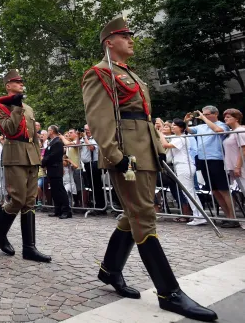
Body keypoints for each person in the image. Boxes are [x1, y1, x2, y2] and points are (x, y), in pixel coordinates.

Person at [82, 16, 216, 321]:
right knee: (143, 216)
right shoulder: (99, 74)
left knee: (136, 214)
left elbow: (145, 118)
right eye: (124, 35)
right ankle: (170, 293)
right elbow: (100, 121)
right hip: (128, 155)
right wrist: (115, 156)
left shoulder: (134, 76)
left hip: (146, 152)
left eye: (131, 34)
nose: (131, 39)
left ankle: (110, 269)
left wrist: (158, 148)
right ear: (109, 42)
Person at [0, 70, 51, 263]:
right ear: (8, 85)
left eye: (21, 82)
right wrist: (16, 107)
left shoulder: (29, 108)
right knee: (17, 199)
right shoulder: (2, 107)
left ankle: (29, 248)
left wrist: (37, 156)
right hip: (15, 155)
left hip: (31, 155)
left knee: (30, 201)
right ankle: (0, 233)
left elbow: (33, 135)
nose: (21, 84)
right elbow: (9, 129)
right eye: (17, 82)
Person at [185, 107, 236, 228]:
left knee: (223, 189)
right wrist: (186, 121)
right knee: (214, 190)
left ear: (215, 114)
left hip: (216, 159)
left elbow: (218, 130)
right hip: (203, 160)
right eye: (204, 114)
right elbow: (189, 130)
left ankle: (233, 217)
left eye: (208, 114)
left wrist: (203, 118)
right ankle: (227, 216)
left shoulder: (222, 125)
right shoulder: (201, 127)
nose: (205, 116)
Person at [157, 119, 207, 226]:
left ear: (181, 128)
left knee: (189, 192)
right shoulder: (177, 138)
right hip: (181, 165)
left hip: (184, 165)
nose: (173, 127)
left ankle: (199, 216)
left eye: (175, 126)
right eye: (173, 125)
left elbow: (165, 145)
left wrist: (160, 133)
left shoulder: (181, 138)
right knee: (188, 192)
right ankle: (198, 215)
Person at [221, 108, 244, 227]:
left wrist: (238, 166)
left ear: (236, 118)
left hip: (240, 166)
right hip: (232, 166)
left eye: (228, 117)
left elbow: (243, 149)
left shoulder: (240, 131)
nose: (225, 119)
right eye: (225, 117)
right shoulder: (232, 132)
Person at [42, 126, 71, 219]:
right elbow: (48, 154)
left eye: (48, 130)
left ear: (52, 131)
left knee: (60, 190)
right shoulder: (52, 142)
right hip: (51, 169)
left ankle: (66, 211)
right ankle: (57, 209)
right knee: (54, 190)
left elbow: (53, 155)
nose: (47, 132)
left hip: (56, 168)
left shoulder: (58, 142)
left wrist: (43, 161)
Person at [80, 124, 104, 213]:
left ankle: (100, 206)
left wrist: (85, 138)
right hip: (87, 164)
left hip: (95, 163)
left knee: (97, 185)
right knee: (91, 185)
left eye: (88, 129)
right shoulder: (83, 138)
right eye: (85, 129)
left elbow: (91, 148)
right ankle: (95, 204)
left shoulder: (95, 138)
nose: (86, 131)